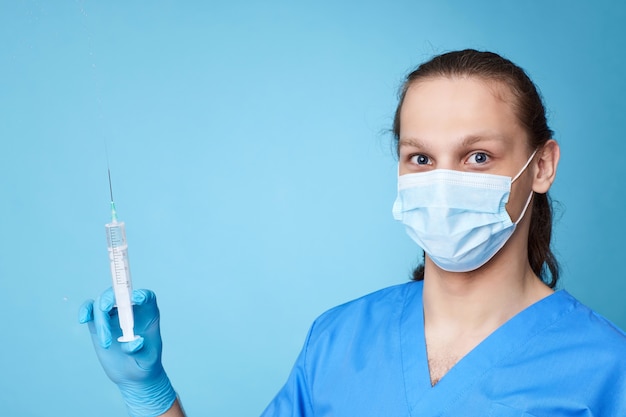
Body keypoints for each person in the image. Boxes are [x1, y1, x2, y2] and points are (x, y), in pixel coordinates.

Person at [79, 49, 626, 417]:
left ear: (541, 165)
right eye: (421, 158)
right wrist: (148, 390)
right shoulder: (341, 339)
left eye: (477, 156)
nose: (442, 184)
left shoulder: (603, 368)